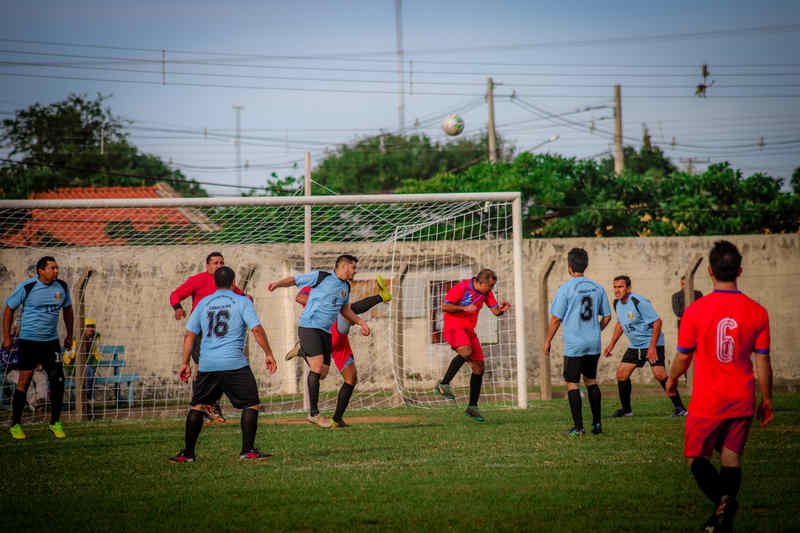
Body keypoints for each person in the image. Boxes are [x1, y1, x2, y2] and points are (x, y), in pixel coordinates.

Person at [666, 241, 773, 532]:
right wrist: (767, 399)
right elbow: (763, 361)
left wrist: (672, 378)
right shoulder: (758, 312)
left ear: (710, 272)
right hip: (742, 397)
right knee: (731, 455)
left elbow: (683, 356)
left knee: (694, 457)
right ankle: (722, 517)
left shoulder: (696, 310)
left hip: (708, 399)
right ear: (739, 270)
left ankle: (724, 502)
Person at [170, 266, 277, 463]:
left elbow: (189, 335)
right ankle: (247, 450)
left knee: (197, 405)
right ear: (233, 282)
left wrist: (185, 363)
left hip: (207, 364)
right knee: (251, 403)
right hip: (234, 363)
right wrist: (268, 354)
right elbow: (257, 330)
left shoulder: (203, 303)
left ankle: (187, 453)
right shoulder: (242, 301)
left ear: (215, 282)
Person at [268, 254, 370, 429]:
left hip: (325, 332)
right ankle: (314, 414)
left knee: (322, 373)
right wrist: (278, 284)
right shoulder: (321, 276)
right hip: (309, 327)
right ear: (345, 266)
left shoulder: (345, 286)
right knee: (316, 368)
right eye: (353, 267)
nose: (355, 271)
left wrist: (361, 322)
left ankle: (301, 351)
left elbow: (344, 309)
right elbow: (295, 280)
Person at [289, 275, 392, 428]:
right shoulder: (315, 284)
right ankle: (380, 296)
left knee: (350, 378)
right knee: (347, 312)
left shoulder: (340, 288)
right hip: (324, 331)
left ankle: (337, 419)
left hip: (339, 340)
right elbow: (300, 297)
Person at [170, 252, 248, 424]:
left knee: (216, 368)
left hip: (218, 335)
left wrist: (247, 299)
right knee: (200, 368)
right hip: (199, 331)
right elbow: (175, 294)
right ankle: (204, 405)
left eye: (222, 262)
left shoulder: (228, 283)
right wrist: (177, 308)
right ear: (207, 266)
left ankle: (207, 405)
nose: (219, 265)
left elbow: (241, 296)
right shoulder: (198, 280)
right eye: (215, 263)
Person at [3, 256, 73, 440]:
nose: (56, 271)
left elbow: (68, 310)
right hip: (29, 342)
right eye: (52, 268)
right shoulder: (28, 286)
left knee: (58, 380)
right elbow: (9, 309)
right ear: (41, 271)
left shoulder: (62, 287)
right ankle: (16, 424)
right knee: (24, 382)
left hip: (51, 342)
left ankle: (55, 422)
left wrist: (70, 335)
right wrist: (7, 337)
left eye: (57, 268)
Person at [543, 248, 611, 437]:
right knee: (591, 381)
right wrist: (596, 331)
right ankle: (597, 424)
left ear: (569, 265)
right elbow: (606, 317)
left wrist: (548, 340)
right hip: (593, 343)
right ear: (586, 265)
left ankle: (579, 427)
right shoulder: (598, 287)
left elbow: (556, 318)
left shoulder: (566, 288)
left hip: (574, 344)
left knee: (572, 383)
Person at [603, 276, 688, 418]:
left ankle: (680, 408)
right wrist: (611, 345)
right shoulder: (617, 303)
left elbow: (657, 322)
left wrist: (652, 347)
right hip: (635, 346)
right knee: (621, 374)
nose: (617, 290)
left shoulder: (638, 302)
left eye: (621, 287)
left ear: (628, 289)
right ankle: (626, 410)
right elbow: (620, 324)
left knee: (659, 374)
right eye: (615, 287)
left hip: (652, 343)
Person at [434, 269, 511, 422]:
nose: (491, 290)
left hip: (469, 331)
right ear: (480, 282)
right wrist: (464, 308)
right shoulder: (461, 288)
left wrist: (501, 310)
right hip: (453, 327)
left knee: (479, 368)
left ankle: (472, 407)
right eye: (489, 286)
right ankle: (443, 384)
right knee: (466, 351)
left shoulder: (486, 293)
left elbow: (495, 311)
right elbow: (445, 306)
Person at [63, 318, 102, 415]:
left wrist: (93, 367)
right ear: (83, 328)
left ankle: (86, 400)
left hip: (87, 367)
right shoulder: (76, 339)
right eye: (88, 327)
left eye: (92, 327)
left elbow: (96, 355)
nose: (90, 329)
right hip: (73, 365)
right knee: (87, 371)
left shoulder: (95, 339)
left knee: (89, 371)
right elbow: (69, 356)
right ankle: (87, 400)